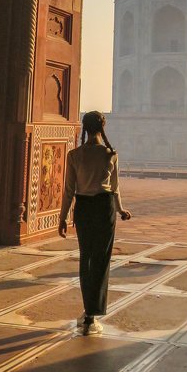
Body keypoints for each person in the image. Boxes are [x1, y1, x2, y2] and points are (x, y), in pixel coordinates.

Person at [58, 111, 131, 335]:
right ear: (103, 127)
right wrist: (120, 210)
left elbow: (69, 190)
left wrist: (63, 217)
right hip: (104, 208)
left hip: (84, 208)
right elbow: (115, 187)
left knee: (86, 258)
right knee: (101, 261)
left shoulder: (74, 155)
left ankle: (87, 313)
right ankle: (91, 316)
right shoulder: (110, 154)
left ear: (85, 127)